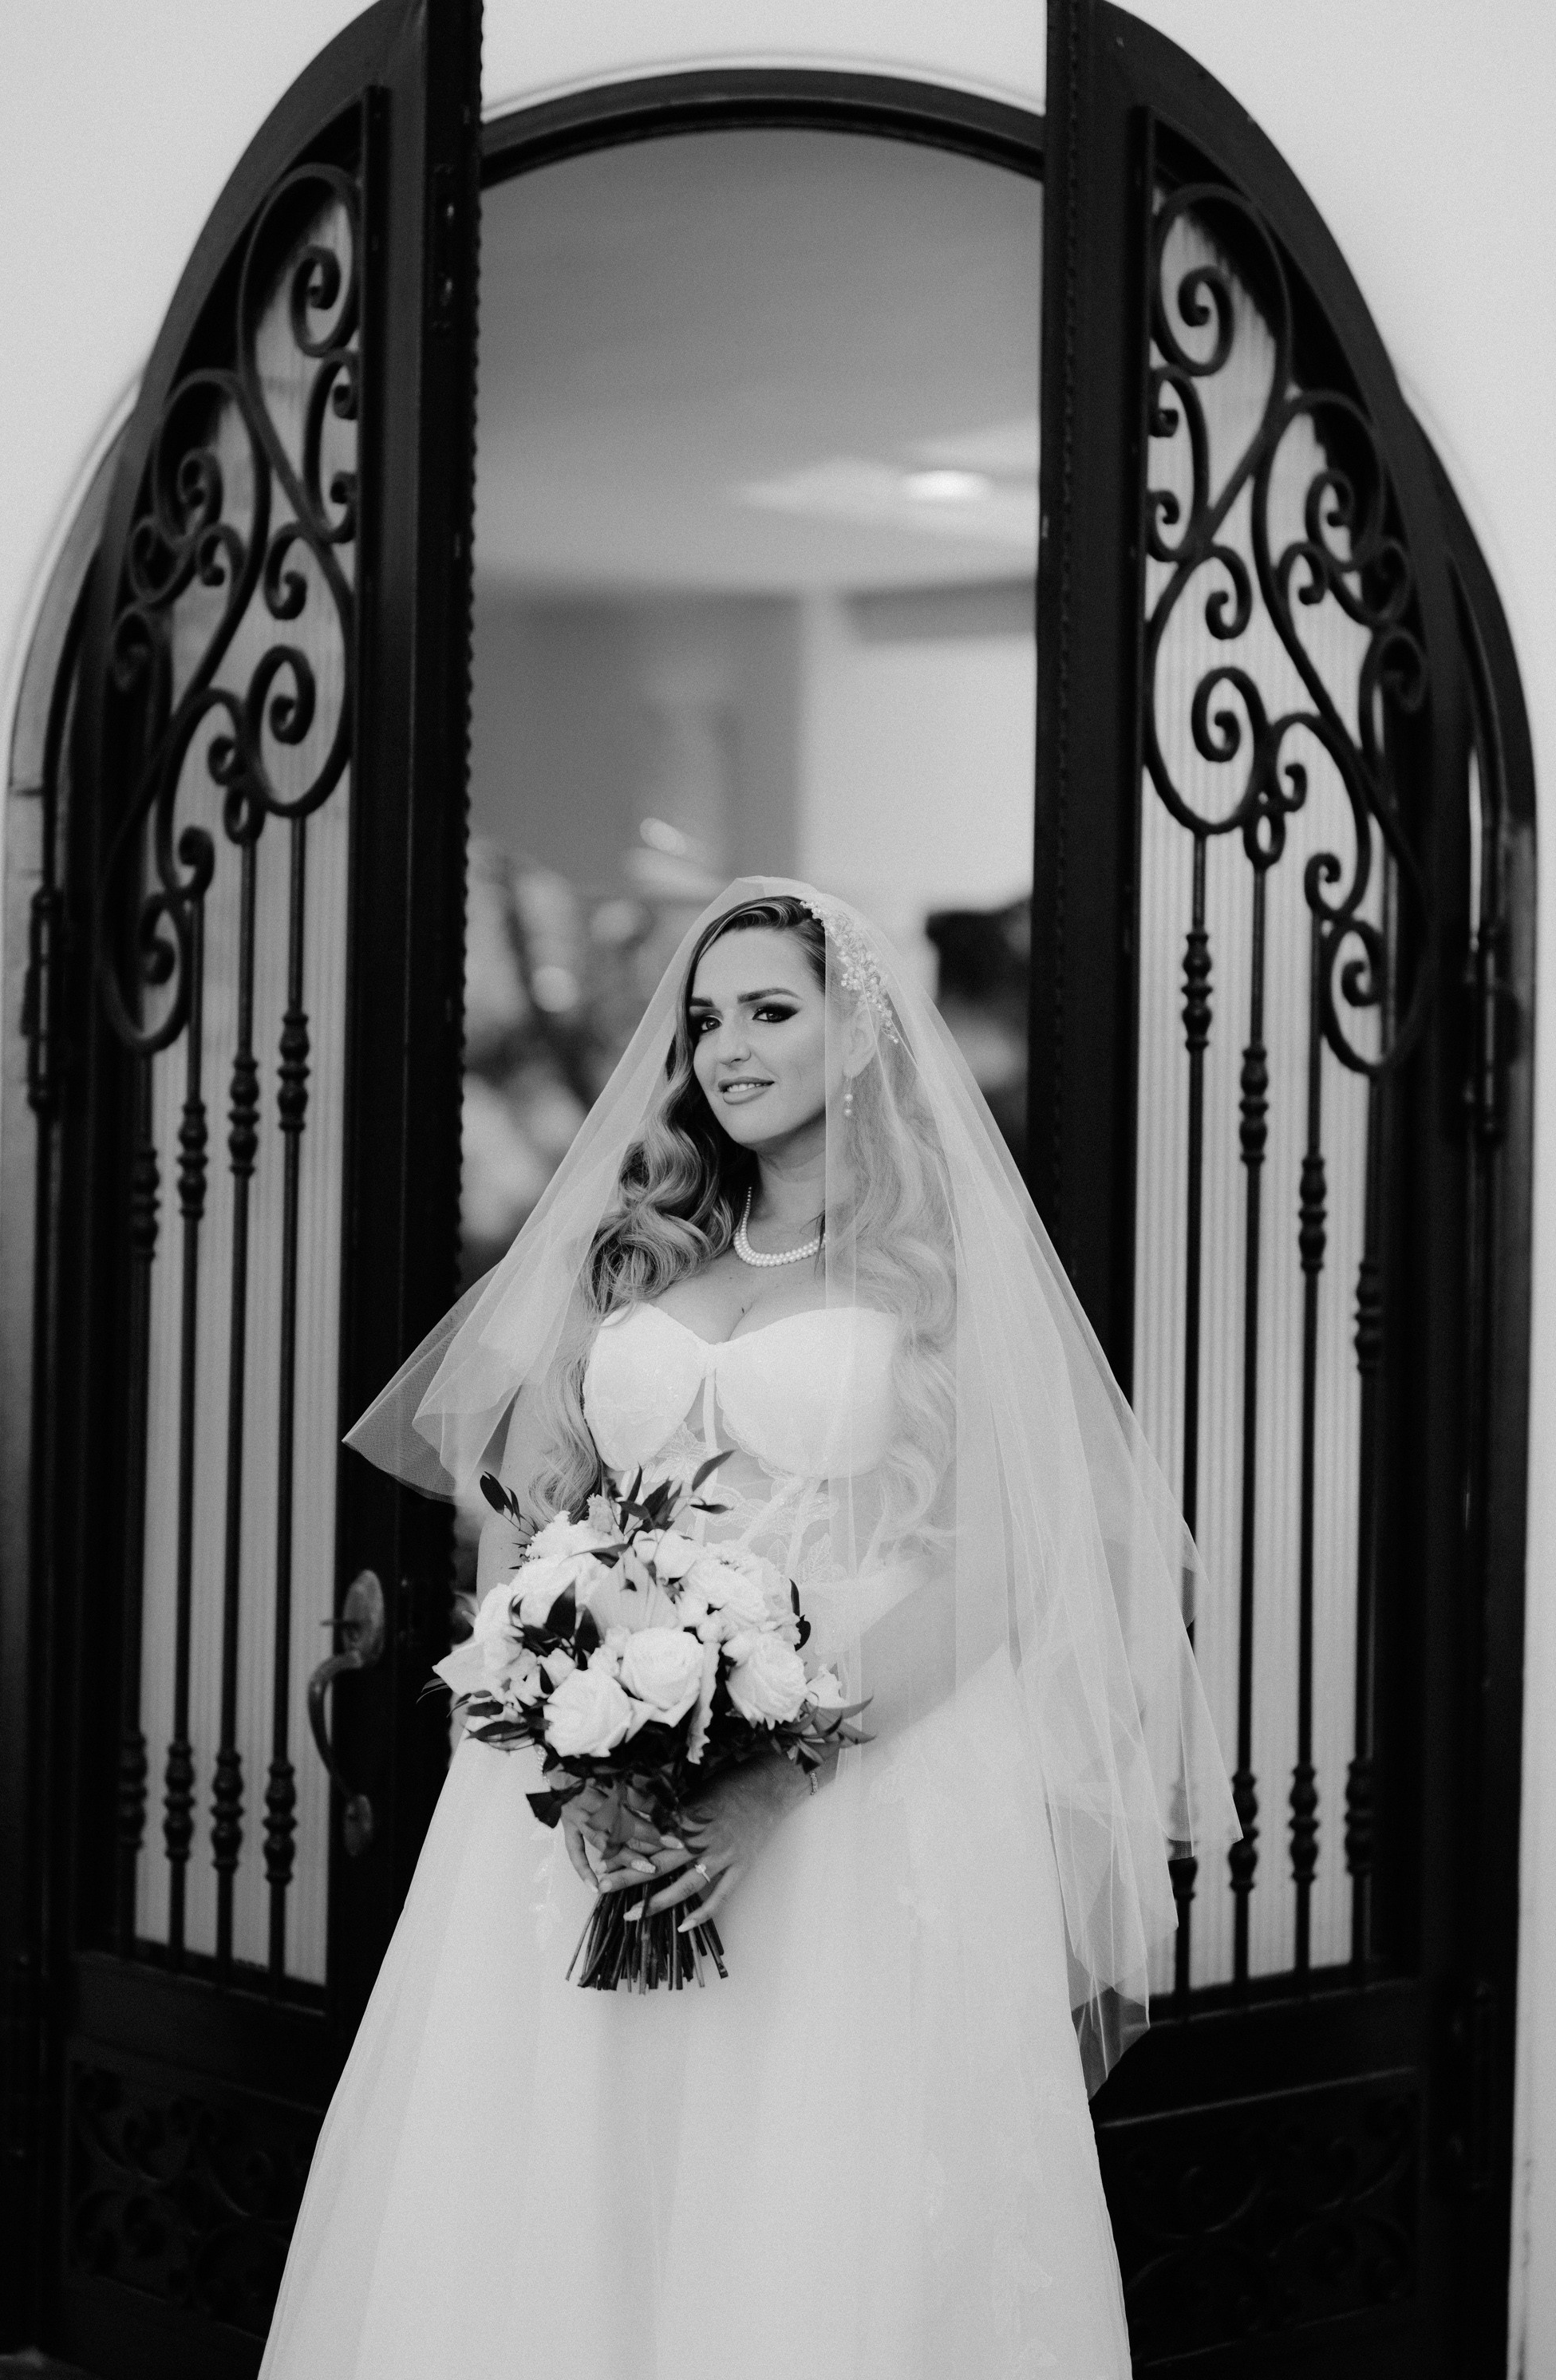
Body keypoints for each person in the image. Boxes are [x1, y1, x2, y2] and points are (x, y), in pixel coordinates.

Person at [260, 880, 1236, 2379]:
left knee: (811, 2165)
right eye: (708, 1019)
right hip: (597, 1781)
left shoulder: (940, 1270)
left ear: (861, 1034)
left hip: (862, 1769)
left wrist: (779, 1773)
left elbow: (1003, 1566)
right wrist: (561, 1728)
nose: (727, 1048)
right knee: (577, 2150)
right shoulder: (636, 1252)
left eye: (771, 1011)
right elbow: (532, 1504)